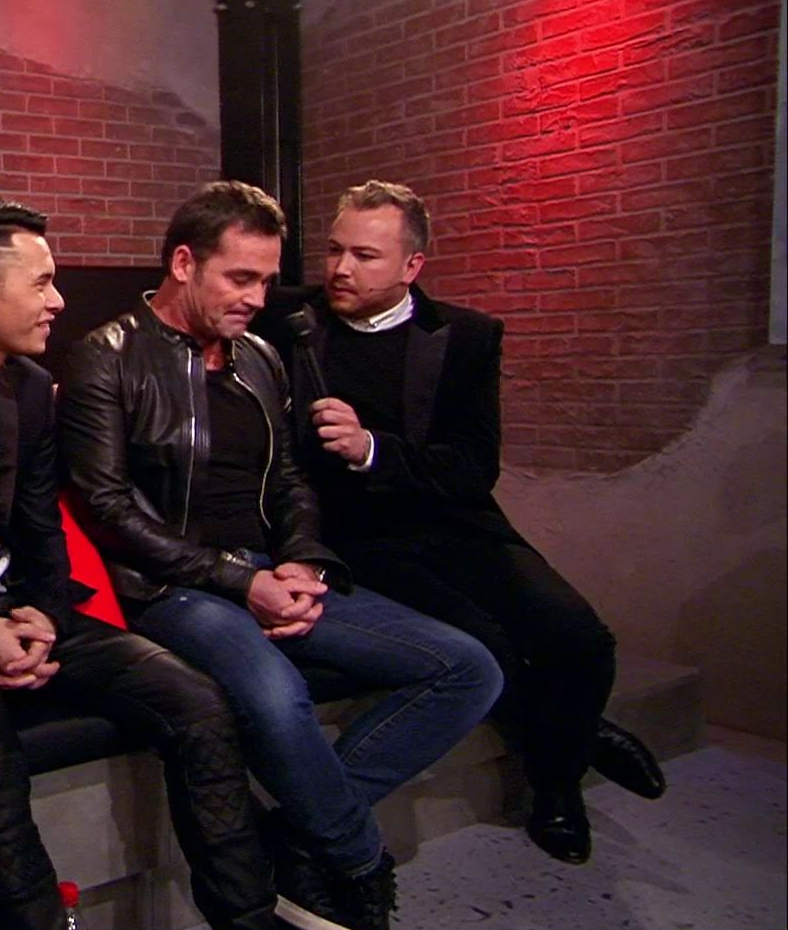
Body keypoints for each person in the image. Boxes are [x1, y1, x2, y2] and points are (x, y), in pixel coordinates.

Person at [0, 197, 295, 930]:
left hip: (18, 605)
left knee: (196, 701)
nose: (58, 301)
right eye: (41, 282)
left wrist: (45, 614)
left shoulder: (28, 391)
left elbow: (42, 530)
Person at [56, 180, 505, 930]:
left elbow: (292, 481)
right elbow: (108, 510)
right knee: (273, 693)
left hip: (272, 568)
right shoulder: (107, 355)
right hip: (171, 586)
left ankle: (300, 837)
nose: (258, 299)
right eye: (241, 278)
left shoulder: (262, 356)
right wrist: (243, 583)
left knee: (468, 669)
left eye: (266, 280)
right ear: (184, 263)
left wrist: (303, 562)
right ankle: (357, 860)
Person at [253, 179, 665, 865]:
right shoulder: (286, 319)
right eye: (334, 250)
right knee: (484, 644)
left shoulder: (467, 337)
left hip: (454, 521)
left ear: (412, 265)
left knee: (580, 636)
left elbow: (474, 467)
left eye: (365, 256)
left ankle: (566, 753)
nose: (341, 269)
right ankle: (563, 775)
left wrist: (372, 447)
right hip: (354, 536)